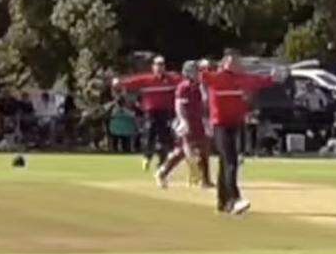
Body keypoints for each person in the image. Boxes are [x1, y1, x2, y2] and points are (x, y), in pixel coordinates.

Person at [200, 51, 285, 214]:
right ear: (224, 63)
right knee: (230, 161)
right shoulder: (217, 77)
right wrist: (203, 67)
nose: (238, 64)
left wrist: (272, 78)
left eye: (238, 62)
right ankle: (234, 199)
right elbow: (202, 77)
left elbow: (257, 81)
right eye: (233, 62)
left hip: (235, 124)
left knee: (226, 163)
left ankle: (222, 202)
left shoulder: (241, 78)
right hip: (220, 126)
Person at [114, 56, 183, 171]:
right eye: (157, 65)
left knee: (164, 138)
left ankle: (162, 162)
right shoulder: (147, 79)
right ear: (153, 67)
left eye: (161, 65)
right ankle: (147, 157)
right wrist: (119, 82)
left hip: (166, 112)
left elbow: (186, 80)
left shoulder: (172, 78)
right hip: (151, 112)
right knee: (149, 133)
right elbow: (132, 81)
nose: (160, 67)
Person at [156, 61, 214, 188]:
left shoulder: (201, 86)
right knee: (187, 151)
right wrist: (183, 121)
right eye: (194, 71)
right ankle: (163, 172)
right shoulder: (184, 87)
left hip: (200, 122)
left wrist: (208, 120)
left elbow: (206, 104)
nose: (197, 73)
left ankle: (204, 179)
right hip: (188, 121)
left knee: (203, 149)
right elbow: (179, 105)